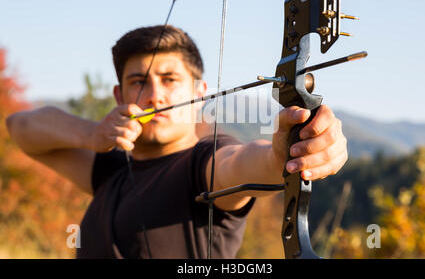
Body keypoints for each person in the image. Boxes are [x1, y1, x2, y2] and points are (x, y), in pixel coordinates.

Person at [6, 25, 348, 259]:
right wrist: (93, 135)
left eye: (170, 79)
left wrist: (284, 154)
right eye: (139, 81)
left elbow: (243, 164)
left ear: (200, 93)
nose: (155, 96)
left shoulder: (201, 164)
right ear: (119, 95)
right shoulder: (109, 168)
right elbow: (20, 127)